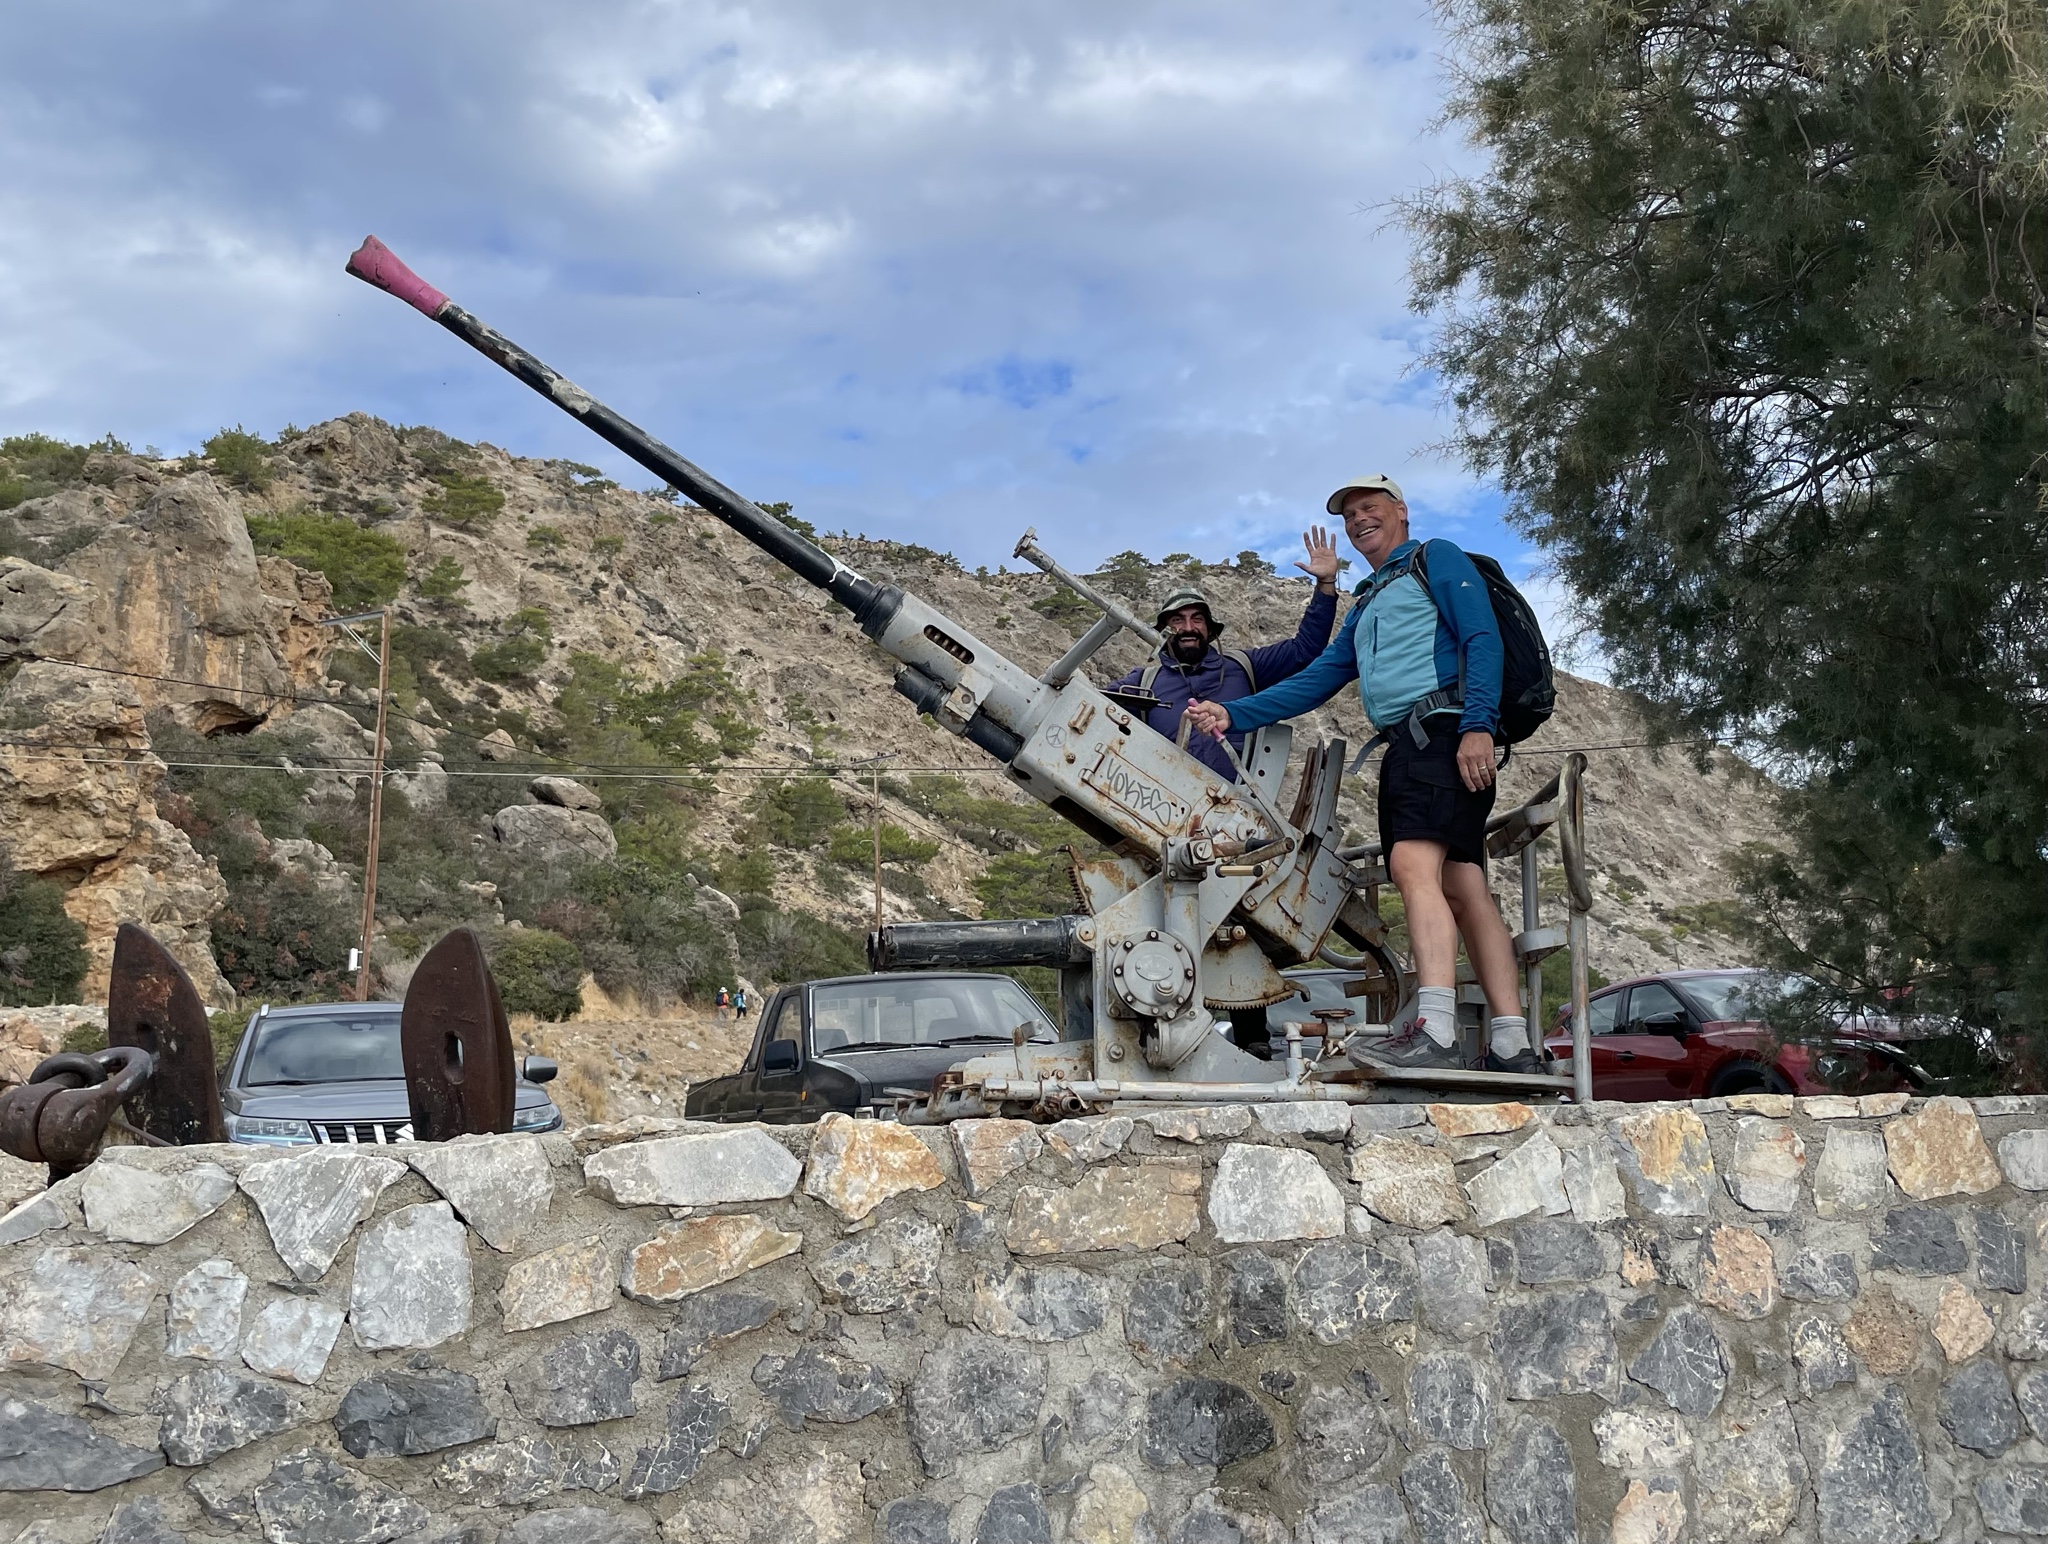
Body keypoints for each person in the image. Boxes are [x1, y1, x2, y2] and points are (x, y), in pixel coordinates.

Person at [1183, 474, 1536, 1073]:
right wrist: (1233, 712)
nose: (1358, 521)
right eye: (1349, 516)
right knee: (1464, 886)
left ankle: (1438, 1029)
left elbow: (1481, 637)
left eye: (1369, 508)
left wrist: (1479, 724)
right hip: (1423, 742)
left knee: (1411, 867)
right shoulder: (1370, 597)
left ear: (1400, 511)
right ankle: (1512, 1042)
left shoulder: (1436, 558)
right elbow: (1320, 675)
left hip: (1442, 734)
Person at [1107, 528, 1343, 779]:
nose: (1188, 628)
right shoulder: (1142, 683)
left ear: (1209, 629)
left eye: (1197, 619)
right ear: (1164, 630)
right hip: (1163, 807)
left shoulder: (1244, 666)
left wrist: (1325, 585)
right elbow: (1098, 706)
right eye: (1178, 619)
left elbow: (1305, 649)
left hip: (1238, 806)